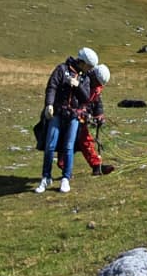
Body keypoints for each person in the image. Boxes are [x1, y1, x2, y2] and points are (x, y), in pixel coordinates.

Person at [35, 47, 100, 195]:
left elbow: (85, 98)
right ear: (82, 62)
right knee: (50, 145)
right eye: (89, 66)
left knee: (69, 146)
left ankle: (66, 178)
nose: (90, 69)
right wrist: (49, 105)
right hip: (57, 113)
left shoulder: (86, 78)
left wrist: (77, 87)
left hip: (74, 116)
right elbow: (52, 86)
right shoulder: (61, 69)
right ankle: (46, 177)